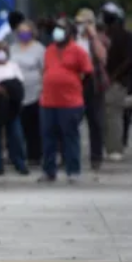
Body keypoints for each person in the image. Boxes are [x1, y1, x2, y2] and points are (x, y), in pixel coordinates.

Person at [38, 18, 93, 183]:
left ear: (69, 33)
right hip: (48, 102)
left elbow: (88, 73)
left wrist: (75, 88)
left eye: (62, 29)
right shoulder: (49, 50)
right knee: (48, 137)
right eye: (57, 28)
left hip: (70, 103)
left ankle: (73, 170)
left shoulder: (78, 51)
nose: (58, 32)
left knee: (70, 136)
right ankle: (49, 171)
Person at [0, 41, 29, 176]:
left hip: (11, 107)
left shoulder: (13, 66)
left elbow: (19, 84)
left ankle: (19, 163)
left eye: (4, 50)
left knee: (16, 135)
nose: (1, 53)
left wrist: (4, 88)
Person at [73, 8, 109, 169]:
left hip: (93, 82)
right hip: (75, 82)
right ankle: (70, 155)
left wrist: (93, 36)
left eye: (85, 22)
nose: (82, 26)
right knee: (72, 119)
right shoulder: (73, 39)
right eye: (79, 23)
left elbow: (102, 57)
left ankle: (96, 156)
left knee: (95, 120)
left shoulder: (100, 38)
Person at [100, 3, 132, 162]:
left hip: (119, 81)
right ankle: (112, 146)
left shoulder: (125, 37)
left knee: (114, 114)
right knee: (110, 114)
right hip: (109, 81)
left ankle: (115, 148)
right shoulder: (104, 36)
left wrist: (113, 76)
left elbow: (129, 60)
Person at [10, 20, 47, 166]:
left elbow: (44, 69)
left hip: (35, 91)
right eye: (21, 31)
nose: (23, 34)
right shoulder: (12, 48)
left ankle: (35, 155)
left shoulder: (39, 49)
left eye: (26, 31)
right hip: (16, 93)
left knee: (34, 125)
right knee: (17, 126)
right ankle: (17, 155)